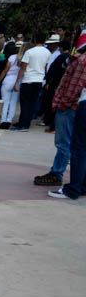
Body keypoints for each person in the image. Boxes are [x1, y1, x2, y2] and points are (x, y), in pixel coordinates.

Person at [47, 32, 86, 199]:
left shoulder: (81, 61)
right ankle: (81, 185)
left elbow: (73, 86)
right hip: (76, 104)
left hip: (76, 105)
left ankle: (72, 187)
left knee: (76, 147)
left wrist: (61, 103)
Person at [12, 33, 50, 130]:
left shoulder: (29, 52)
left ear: (34, 40)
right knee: (32, 103)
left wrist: (17, 81)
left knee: (25, 103)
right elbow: (46, 67)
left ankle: (23, 124)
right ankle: (25, 122)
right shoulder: (47, 52)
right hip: (39, 80)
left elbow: (23, 68)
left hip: (28, 79)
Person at [42, 40, 71, 132]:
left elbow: (52, 71)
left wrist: (48, 82)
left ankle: (50, 123)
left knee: (50, 102)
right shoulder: (70, 58)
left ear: (61, 48)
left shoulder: (60, 57)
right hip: (64, 84)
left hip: (55, 84)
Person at [0, 41, 22, 129]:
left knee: (5, 101)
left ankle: (3, 120)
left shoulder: (11, 57)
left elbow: (5, 70)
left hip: (8, 79)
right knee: (13, 102)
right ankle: (9, 120)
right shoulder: (25, 58)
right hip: (18, 80)